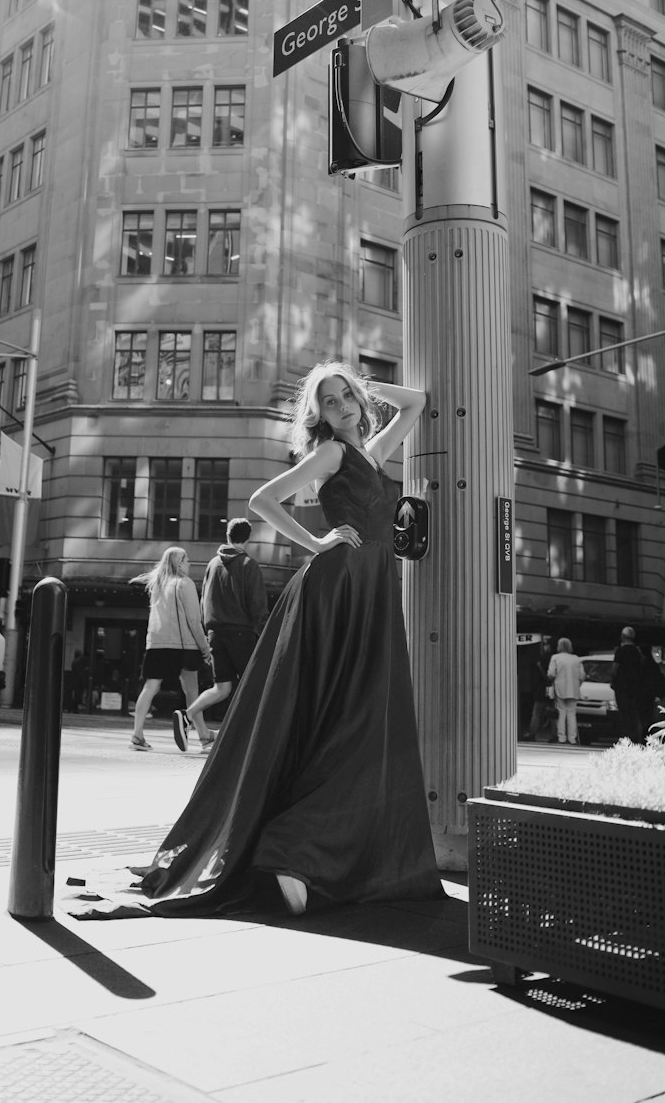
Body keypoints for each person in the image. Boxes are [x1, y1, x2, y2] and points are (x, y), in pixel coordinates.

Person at [134, 361, 443, 916]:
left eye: (347, 397)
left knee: (354, 718)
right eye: (329, 401)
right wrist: (317, 541)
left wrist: (356, 381)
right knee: (343, 717)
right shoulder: (332, 453)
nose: (344, 406)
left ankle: (307, 853)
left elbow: (416, 402)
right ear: (317, 414)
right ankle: (290, 851)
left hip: (370, 591)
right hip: (339, 588)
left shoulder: (370, 451)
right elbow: (262, 500)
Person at [173, 517, 268, 753]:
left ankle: (188, 715)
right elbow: (258, 606)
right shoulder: (249, 565)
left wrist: (208, 632)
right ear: (248, 538)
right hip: (241, 633)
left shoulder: (213, 564)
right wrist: (266, 632)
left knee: (222, 687)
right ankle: (243, 738)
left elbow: (205, 599)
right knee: (253, 685)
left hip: (216, 633)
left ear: (227, 536)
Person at [129, 548, 210, 751]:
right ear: (179, 563)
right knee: (192, 691)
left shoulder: (157, 585)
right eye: (187, 560)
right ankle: (204, 737)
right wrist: (205, 648)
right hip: (184, 645)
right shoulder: (185, 583)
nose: (189, 564)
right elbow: (194, 620)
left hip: (156, 644)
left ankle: (137, 735)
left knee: (150, 687)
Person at [611, 626, 645, 744]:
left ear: (622, 637)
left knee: (624, 713)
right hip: (635, 687)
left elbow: (615, 668)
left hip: (622, 687)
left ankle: (626, 737)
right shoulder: (637, 651)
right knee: (634, 713)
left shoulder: (620, 651)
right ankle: (635, 737)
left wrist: (613, 681)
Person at [547, 638, 584, 745]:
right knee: (572, 714)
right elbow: (582, 676)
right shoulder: (576, 659)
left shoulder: (555, 658)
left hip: (560, 689)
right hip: (573, 690)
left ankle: (561, 738)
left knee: (561, 713)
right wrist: (577, 685)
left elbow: (551, 674)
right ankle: (572, 738)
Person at [526, 636, 555, 741]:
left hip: (541, 688)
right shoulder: (553, 658)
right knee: (552, 712)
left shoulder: (541, 660)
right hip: (552, 689)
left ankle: (532, 733)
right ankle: (555, 734)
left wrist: (539, 667)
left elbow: (544, 676)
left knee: (537, 712)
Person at [639, 646, 665, 735]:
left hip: (647, 696)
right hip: (652, 696)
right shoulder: (653, 665)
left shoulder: (644, 665)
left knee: (646, 718)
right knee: (650, 718)